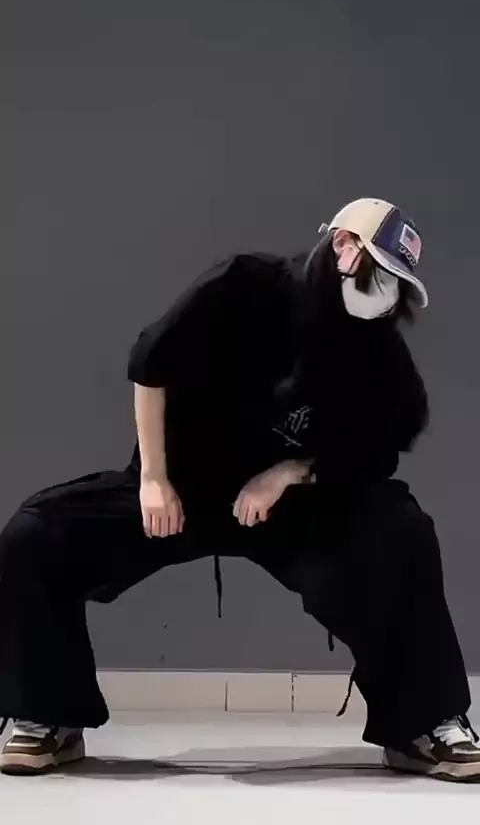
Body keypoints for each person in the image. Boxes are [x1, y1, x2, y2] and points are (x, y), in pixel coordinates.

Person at [0, 197, 478, 782]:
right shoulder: (245, 285)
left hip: (289, 508)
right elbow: (150, 365)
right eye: (377, 269)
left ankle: (423, 727)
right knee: (36, 536)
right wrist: (153, 478)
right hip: (183, 491)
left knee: (402, 531)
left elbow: (382, 444)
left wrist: (287, 473)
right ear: (342, 247)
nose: (384, 291)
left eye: (396, 282)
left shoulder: (375, 344)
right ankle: (44, 718)